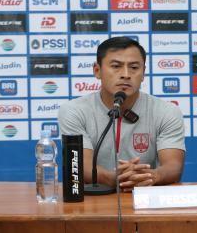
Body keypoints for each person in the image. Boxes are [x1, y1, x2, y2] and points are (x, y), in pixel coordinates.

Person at [58, 37, 185, 191]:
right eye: (116, 66)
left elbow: (173, 166)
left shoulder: (166, 111)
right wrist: (116, 178)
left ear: (143, 72)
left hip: (145, 200)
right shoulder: (74, 111)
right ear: (97, 71)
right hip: (95, 202)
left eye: (134, 67)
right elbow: (80, 167)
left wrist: (151, 176)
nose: (126, 74)